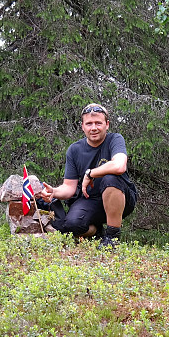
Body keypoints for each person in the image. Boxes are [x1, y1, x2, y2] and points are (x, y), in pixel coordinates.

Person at [41, 103, 137, 247]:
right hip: (90, 199)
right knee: (72, 225)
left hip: (121, 197)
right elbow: (69, 187)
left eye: (98, 123)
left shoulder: (115, 139)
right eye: (89, 124)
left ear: (107, 124)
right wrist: (54, 192)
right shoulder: (74, 150)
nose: (93, 128)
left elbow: (119, 166)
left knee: (110, 179)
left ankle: (112, 238)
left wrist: (90, 173)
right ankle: (97, 231)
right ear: (82, 126)